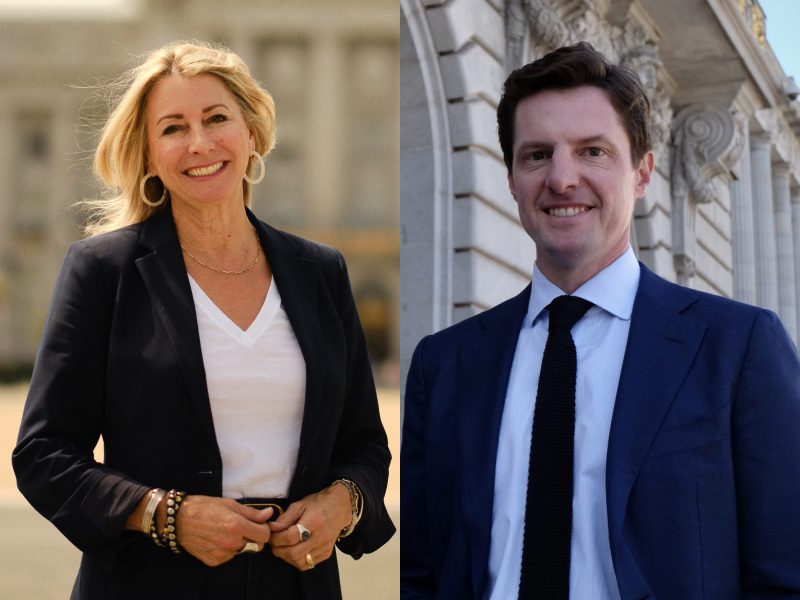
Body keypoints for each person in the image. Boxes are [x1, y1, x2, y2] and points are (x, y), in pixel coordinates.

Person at [401, 42, 800, 599]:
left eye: (592, 152)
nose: (562, 179)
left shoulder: (738, 349)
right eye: (536, 155)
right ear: (513, 180)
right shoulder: (443, 365)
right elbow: (419, 572)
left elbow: (785, 573)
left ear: (641, 174)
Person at [13, 41, 394, 599]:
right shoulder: (103, 271)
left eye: (217, 118)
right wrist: (165, 515)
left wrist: (344, 503)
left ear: (253, 134)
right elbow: (44, 455)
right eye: (172, 128)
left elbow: (364, 443)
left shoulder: (320, 272)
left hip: (297, 586)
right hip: (149, 584)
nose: (200, 144)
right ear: (147, 154)